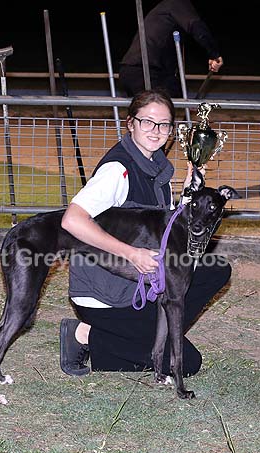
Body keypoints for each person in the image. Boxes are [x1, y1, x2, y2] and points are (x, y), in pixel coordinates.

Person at [58, 89, 232, 377]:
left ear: (172, 131)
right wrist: (131, 253)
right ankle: (85, 334)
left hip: (140, 284)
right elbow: (72, 220)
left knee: (216, 270)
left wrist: (189, 196)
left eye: (163, 124)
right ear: (131, 123)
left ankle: (152, 330)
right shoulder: (118, 169)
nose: (156, 130)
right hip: (106, 294)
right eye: (147, 122)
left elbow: (163, 230)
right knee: (188, 363)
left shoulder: (158, 167)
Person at [118, 0, 224, 99]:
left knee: (173, 91)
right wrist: (214, 54)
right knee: (161, 106)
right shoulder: (177, 3)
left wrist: (183, 101)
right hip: (143, 70)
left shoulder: (165, 10)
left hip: (135, 70)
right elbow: (196, 27)